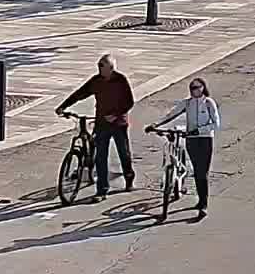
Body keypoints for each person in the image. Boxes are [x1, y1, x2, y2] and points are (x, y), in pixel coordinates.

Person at [57, 54, 136, 200]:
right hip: (102, 123)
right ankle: (102, 190)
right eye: (98, 65)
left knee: (123, 153)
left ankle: (129, 179)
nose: (99, 68)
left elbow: (129, 102)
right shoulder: (96, 81)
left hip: (119, 124)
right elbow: (80, 93)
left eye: (101, 66)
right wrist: (63, 106)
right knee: (100, 157)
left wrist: (116, 115)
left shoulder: (121, 80)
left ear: (111, 68)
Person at [151, 77, 222, 218]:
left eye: (197, 87)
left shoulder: (208, 103)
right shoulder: (187, 103)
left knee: (203, 172)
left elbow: (216, 124)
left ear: (203, 88)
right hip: (191, 140)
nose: (194, 90)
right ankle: (200, 200)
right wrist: (155, 125)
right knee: (197, 171)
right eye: (192, 88)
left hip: (205, 140)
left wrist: (200, 130)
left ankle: (203, 204)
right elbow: (172, 114)